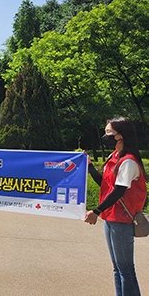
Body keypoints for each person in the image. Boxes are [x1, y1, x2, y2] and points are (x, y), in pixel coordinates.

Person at [84, 117, 147, 296]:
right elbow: (105, 185)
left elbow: (119, 191)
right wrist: (89, 167)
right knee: (117, 268)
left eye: (109, 133)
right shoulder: (114, 157)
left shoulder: (128, 161)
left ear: (121, 136)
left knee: (126, 269)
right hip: (111, 218)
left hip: (122, 220)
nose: (105, 136)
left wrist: (95, 211)